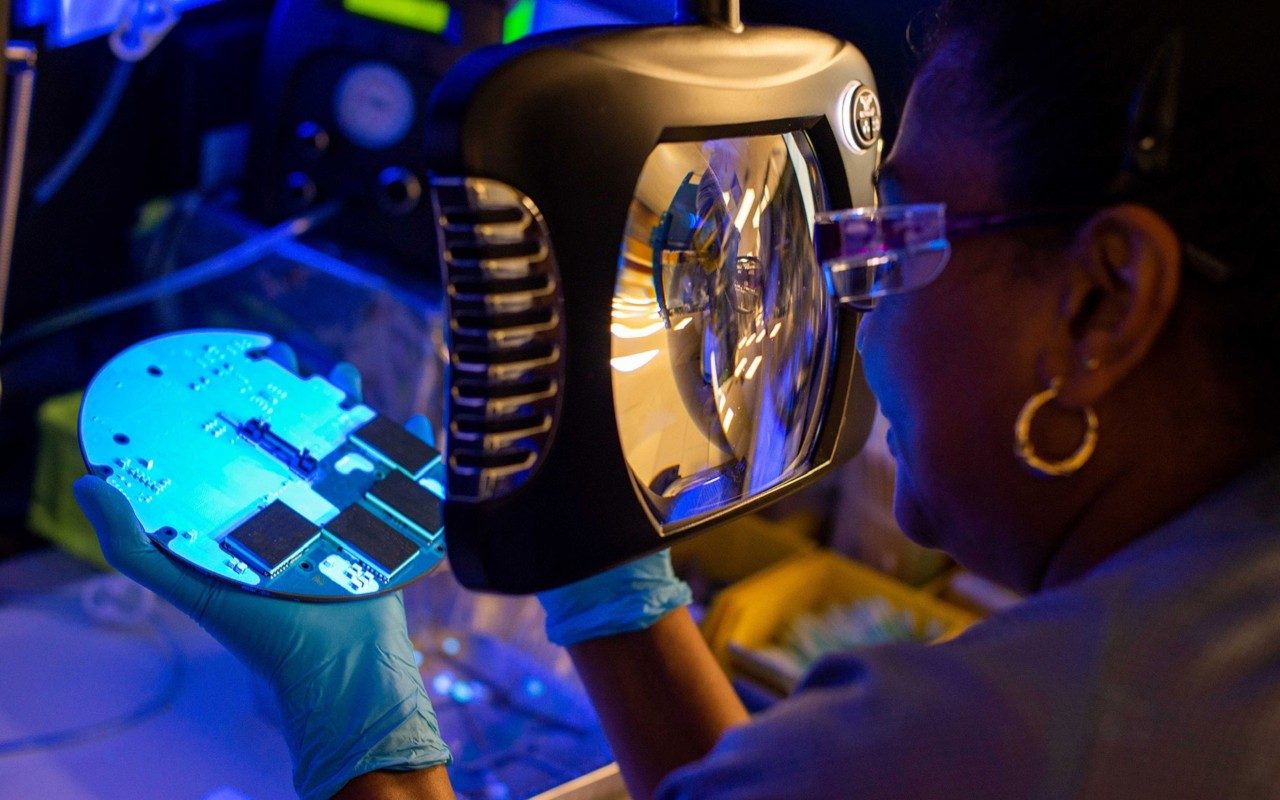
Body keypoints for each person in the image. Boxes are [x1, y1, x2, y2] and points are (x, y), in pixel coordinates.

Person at [75, 0, 1280, 797]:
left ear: (1103, 302)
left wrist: (357, 715)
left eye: (900, 234)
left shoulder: (1020, 736)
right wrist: (609, 575)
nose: (851, 300)